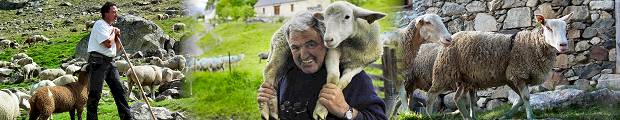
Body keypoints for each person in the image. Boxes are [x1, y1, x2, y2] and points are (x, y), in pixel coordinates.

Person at [257, 11, 386, 120]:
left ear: (326, 42)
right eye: (295, 47)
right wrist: (267, 106)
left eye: (311, 44)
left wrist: (345, 110)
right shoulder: (285, 74)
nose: (303, 55)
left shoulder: (352, 79)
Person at [86, 2, 132, 120]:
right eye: (113, 12)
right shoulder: (99, 24)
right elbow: (107, 43)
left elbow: (115, 50)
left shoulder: (111, 28)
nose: (116, 14)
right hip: (98, 61)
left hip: (110, 62)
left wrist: (117, 37)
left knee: (119, 91)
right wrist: (113, 33)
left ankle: (127, 117)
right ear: (106, 13)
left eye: (116, 12)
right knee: (95, 94)